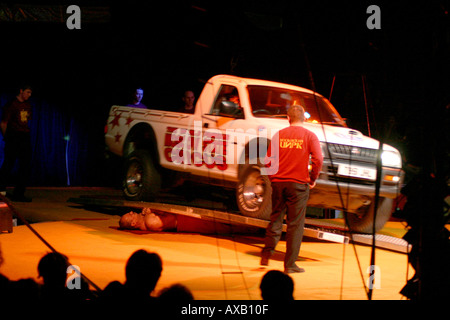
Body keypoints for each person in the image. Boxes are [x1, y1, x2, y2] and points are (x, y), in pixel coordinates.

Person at [260, 104, 323, 274]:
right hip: (299, 185)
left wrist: (274, 179)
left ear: (288, 118)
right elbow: (318, 159)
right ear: (304, 119)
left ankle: (266, 254)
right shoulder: (310, 136)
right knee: (295, 225)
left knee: (276, 218)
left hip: (279, 183)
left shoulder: (279, 135)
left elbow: (267, 160)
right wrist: (312, 179)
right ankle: (290, 265)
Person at [0, 84, 33, 202]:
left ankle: (19, 193)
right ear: (21, 91)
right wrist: (7, 137)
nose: (29, 95)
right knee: (9, 162)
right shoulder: (12, 104)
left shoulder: (28, 105)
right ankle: (1, 189)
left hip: (24, 136)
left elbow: (26, 120)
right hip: (13, 135)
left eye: (30, 93)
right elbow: (3, 123)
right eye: (27, 92)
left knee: (25, 165)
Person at [118, 208, 259, 234]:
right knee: (222, 226)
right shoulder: (150, 221)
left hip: (184, 222)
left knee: (221, 226)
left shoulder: (148, 220)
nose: (132, 212)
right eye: (130, 215)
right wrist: (154, 210)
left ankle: (252, 228)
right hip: (186, 221)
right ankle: (254, 228)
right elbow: (170, 216)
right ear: (133, 224)